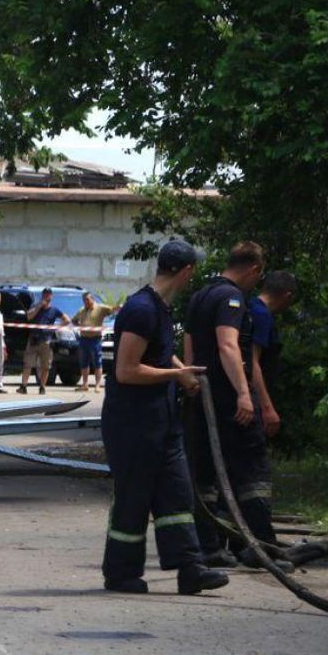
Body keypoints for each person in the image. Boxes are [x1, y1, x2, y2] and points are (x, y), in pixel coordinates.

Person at [102, 240, 228, 595]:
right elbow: (126, 371)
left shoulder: (160, 308)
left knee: (176, 495)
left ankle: (191, 569)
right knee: (134, 498)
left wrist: (181, 371)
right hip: (133, 425)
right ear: (185, 271)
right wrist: (175, 376)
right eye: (194, 272)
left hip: (162, 422)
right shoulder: (141, 310)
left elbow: (159, 355)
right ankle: (121, 573)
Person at [184, 241, 282, 568]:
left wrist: (192, 383)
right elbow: (228, 346)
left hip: (203, 396)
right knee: (252, 471)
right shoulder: (231, 297)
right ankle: (262, 547)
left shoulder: (199, 295)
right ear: (253, 269)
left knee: (207, 476)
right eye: (259, 275)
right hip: (228, 400)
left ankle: (210, 548)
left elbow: (189, 347)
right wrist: (243, 393)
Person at [249, 270, 298, 438]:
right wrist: (267, 407)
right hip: (252, 397)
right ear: (287, 296)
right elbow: (252, 360)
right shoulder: (261, 315)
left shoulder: (249, 306)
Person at [17, 287, 69, 394]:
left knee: (45, 366)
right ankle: (23, 386)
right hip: (33, 340)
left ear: (51, 296)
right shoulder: (35, 306)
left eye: (48, 294)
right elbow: (29, 317)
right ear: (42, 295)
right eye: (45, 294)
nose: (46, 296)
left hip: (46, 341)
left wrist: (56, 327)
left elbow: (67, 320)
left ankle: (42, 387)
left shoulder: (54, 310)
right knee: (27, 364)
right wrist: (39, 307)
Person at [73, 291, 116, 392]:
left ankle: (97, 385)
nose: (86, 302)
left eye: (87, 300)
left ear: (92, 299)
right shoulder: (82, 310)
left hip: (95, 339)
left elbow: (113, 310)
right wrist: (78, 326)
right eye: (84, 300)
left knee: (97, 362)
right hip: (83, 339)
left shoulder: (100, 308)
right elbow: (74, 320)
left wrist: (118, 308)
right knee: (84, 362)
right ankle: (85, 384)